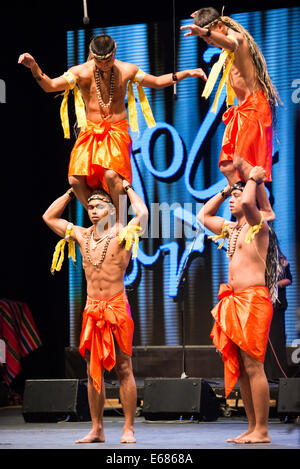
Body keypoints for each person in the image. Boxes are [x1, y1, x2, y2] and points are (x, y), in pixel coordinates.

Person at [18, 34, 207, 220]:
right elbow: (50, 85)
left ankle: (120, 221)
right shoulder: (80, 72)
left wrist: (188, 73)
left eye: (109, 60)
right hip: (90, 131)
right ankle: (98, 219)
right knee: (74, 179)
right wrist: (34, 67)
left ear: (114, 51)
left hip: (116, 131)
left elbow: (156, 82)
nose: (105, 64)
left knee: (111, 175)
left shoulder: (127, 70)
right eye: (101, 61)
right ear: (94, 57)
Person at [42, 179, 148, 444]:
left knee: (124, 367)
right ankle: (97, 428)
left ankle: (128, 428)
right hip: (92, 308)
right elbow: (49, 216)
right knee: (92, 371)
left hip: (116, 306)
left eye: (99, 206)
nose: (93, 210)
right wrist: (71, 192)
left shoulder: (123, 233)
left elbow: (144, 214)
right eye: (90, 206)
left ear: (112, 210)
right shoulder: (82, 234)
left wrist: (127, 189)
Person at [198, 166, 274, 444]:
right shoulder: (232, 229)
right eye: (232, 196)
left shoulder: (258, 226)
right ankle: (253, 426)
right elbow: (203, 216)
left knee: (254, 366)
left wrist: (253, 178)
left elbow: (246, 203)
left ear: (251, 202)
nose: (233, 200)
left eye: (237, 196)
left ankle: (263, 430)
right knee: (242, 367)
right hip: (234, 300)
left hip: (253, 300)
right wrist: (225, 190)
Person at [182, 7, 280, 221]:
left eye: (210, 36)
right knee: (227, 165)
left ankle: (266, 208)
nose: (210, 42)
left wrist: (205, 33)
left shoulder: (237, 39)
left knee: (241, 161)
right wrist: (204, 18)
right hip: (241, 111)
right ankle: (245, 205)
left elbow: (230, 43)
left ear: (218, 26)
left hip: (255, 108)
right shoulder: (223, 37)